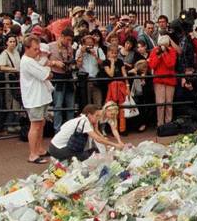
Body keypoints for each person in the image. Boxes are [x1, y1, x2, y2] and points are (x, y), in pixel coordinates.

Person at [19, 35, 55, 164]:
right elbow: (47, 75)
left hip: (40, 97)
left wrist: (46, 67)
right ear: (27, 48)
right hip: (34, 99)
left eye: (38, 48)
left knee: (41, 124)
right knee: (35, 126)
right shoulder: (27, 61)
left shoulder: (32, 60)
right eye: (35, 49)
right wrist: (47, 68)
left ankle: (39, 149)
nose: (38, 51)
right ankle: (33, 154)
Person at [48, 104, 125, 163]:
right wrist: (115, 145)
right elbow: (97, 139)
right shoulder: (84, 122)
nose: (98, 118)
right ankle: (63, 159)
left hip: (56, 146)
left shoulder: (80, 119)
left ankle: (67, 158)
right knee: (92, 157)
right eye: (96, 116)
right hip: (58, 149)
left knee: (93, 151)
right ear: (89, 115)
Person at [48, 29, 77, 131]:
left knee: (70, 105)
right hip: (57, 76)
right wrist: (54, 63)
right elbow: (43, 61)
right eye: (68, 39)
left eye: (70, 40)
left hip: (68, 76)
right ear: (62, 36)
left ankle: (70, 129)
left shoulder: (70, 48)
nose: (69, 42)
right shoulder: (50, 46)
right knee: (58, 105)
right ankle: (57, 130)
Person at [148, 35, 178, 127]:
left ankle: (168, 124)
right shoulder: (154, 51)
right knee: (160, 104)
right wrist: (158, 56)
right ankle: (160, 124)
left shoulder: (172, 51)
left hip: (170, 80)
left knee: (169, 103)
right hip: (159, 80)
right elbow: (152, 65)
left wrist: (165, 53)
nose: (162, 47)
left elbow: (171, 64)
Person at [77, 33, 105, 106]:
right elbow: (78, 65)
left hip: (96, 79)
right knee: (86, 104)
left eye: (91, 43)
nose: (89, 45)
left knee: (98, 103)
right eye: (87, 43)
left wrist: (95, 56)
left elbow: (102, 64)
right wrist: (82, 53)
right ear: (83, 44)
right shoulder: (79, 51)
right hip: (85, 80)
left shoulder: (98, 50)